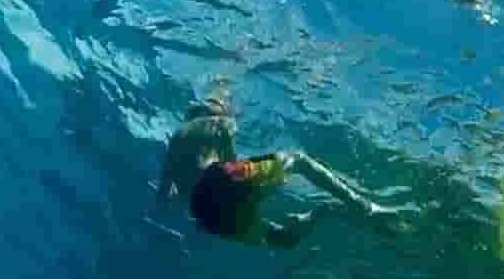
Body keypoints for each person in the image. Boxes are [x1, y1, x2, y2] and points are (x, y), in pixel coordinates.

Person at [154, 92, 410, 249]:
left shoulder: (176, 139)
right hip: (225, 185)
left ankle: (322, 213)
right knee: (297, 160)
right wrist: (258, 182)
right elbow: (231, 161)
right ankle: (365, 208)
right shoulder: (218, 121)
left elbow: (164, 193)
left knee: (282, 239)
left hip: (208, 216)